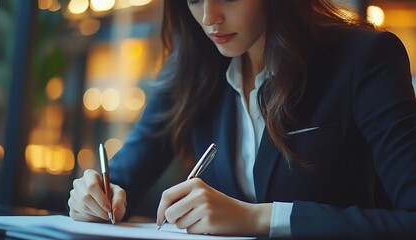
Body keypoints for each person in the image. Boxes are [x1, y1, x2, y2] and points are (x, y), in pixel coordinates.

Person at [68, 0, 416, 238]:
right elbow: (124, 176)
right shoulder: (191, 71)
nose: (209, 17)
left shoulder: (363, 58)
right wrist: (96, 195)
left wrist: (256, 218)